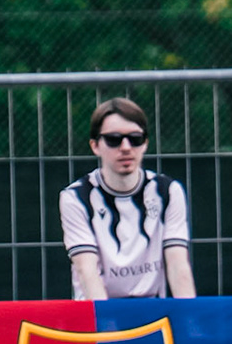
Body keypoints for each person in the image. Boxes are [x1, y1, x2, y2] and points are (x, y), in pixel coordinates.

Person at [59, 98, 194, 300]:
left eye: (135, 138)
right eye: (113, 139)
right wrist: (106, 327)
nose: (125, 147)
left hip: (152, 313)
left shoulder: (168, 191)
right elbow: (86, 269)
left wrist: (191, 324)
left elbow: (178, 265)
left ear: (145, 143)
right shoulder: (75, 197)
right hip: (98, 311)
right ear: (95, 146)